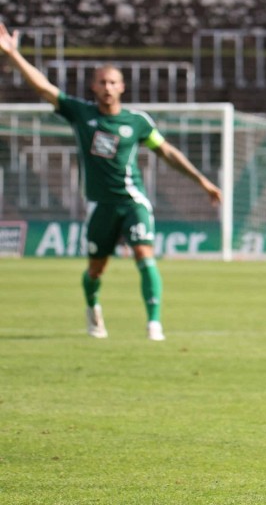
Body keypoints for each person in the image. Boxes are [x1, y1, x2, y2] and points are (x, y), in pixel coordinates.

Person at [0, 22, 222, 341]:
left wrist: (202, 181)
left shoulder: (137, 121)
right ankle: (93, 310)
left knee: (144, 255)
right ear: (94, 87)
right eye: (102, 82)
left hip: (133, 201)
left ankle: (154, 324)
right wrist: (14, 55)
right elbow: (44, 88)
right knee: (96, 271)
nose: (107, 87)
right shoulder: (80, 114)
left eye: (113, 82)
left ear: (122, 87)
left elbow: (167, 152)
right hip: (100, 205)